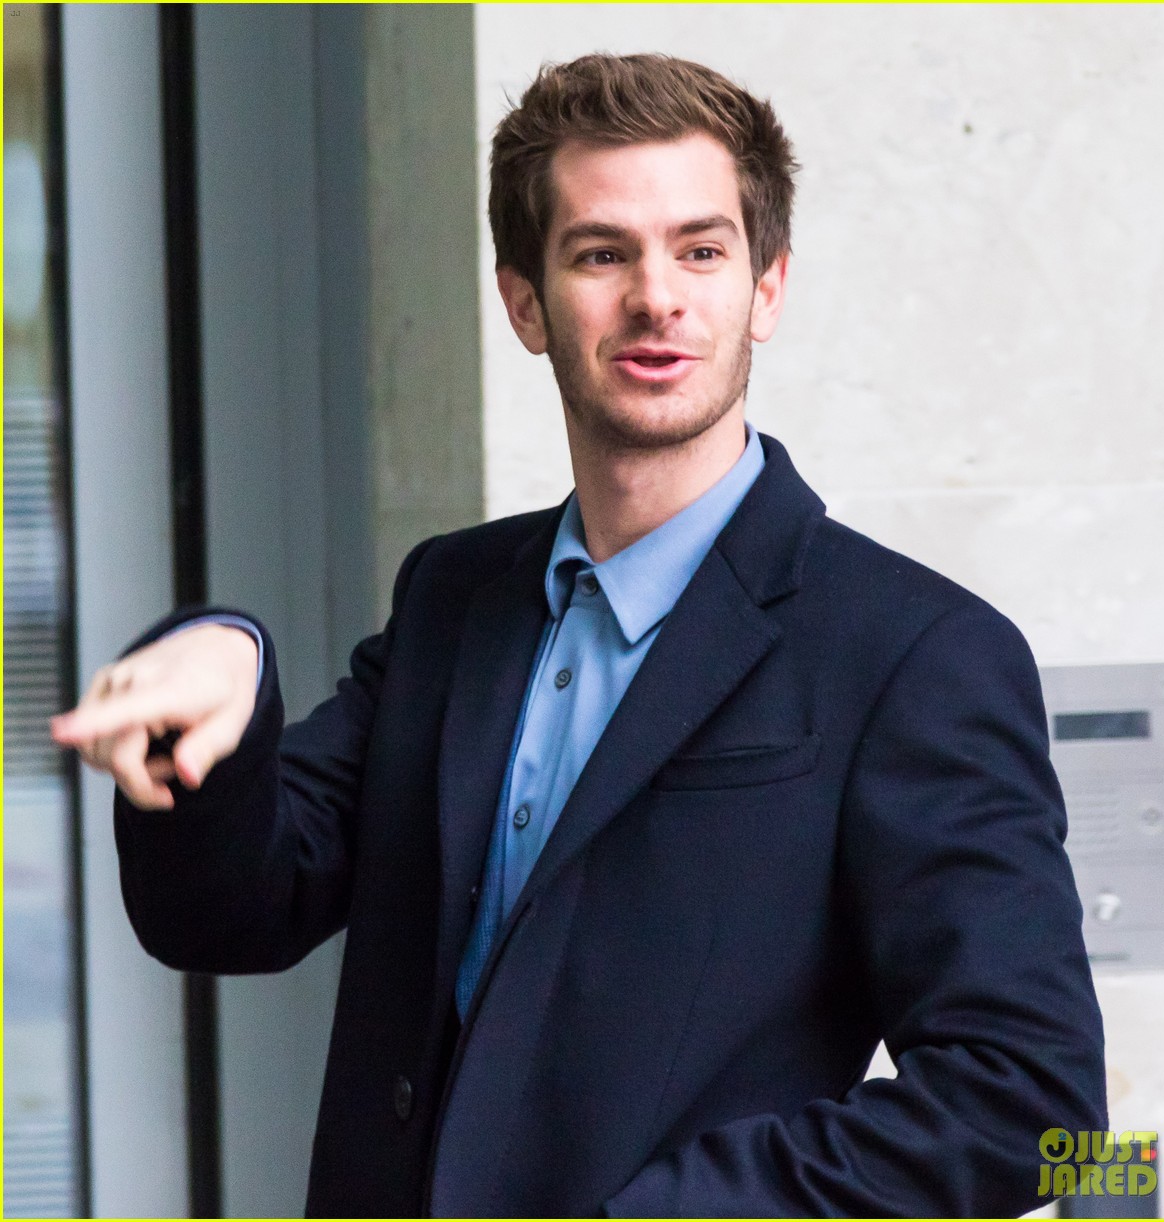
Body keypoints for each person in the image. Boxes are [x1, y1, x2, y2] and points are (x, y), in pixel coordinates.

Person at [52, 53, 1107, 1217]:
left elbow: (1032, 1110)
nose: (656, 298)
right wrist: (226, 670)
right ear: (524, 303)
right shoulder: (453, 599)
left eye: (699, 251)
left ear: (765, 288)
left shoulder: (913, 654)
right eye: (602, 254)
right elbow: (228, 911)